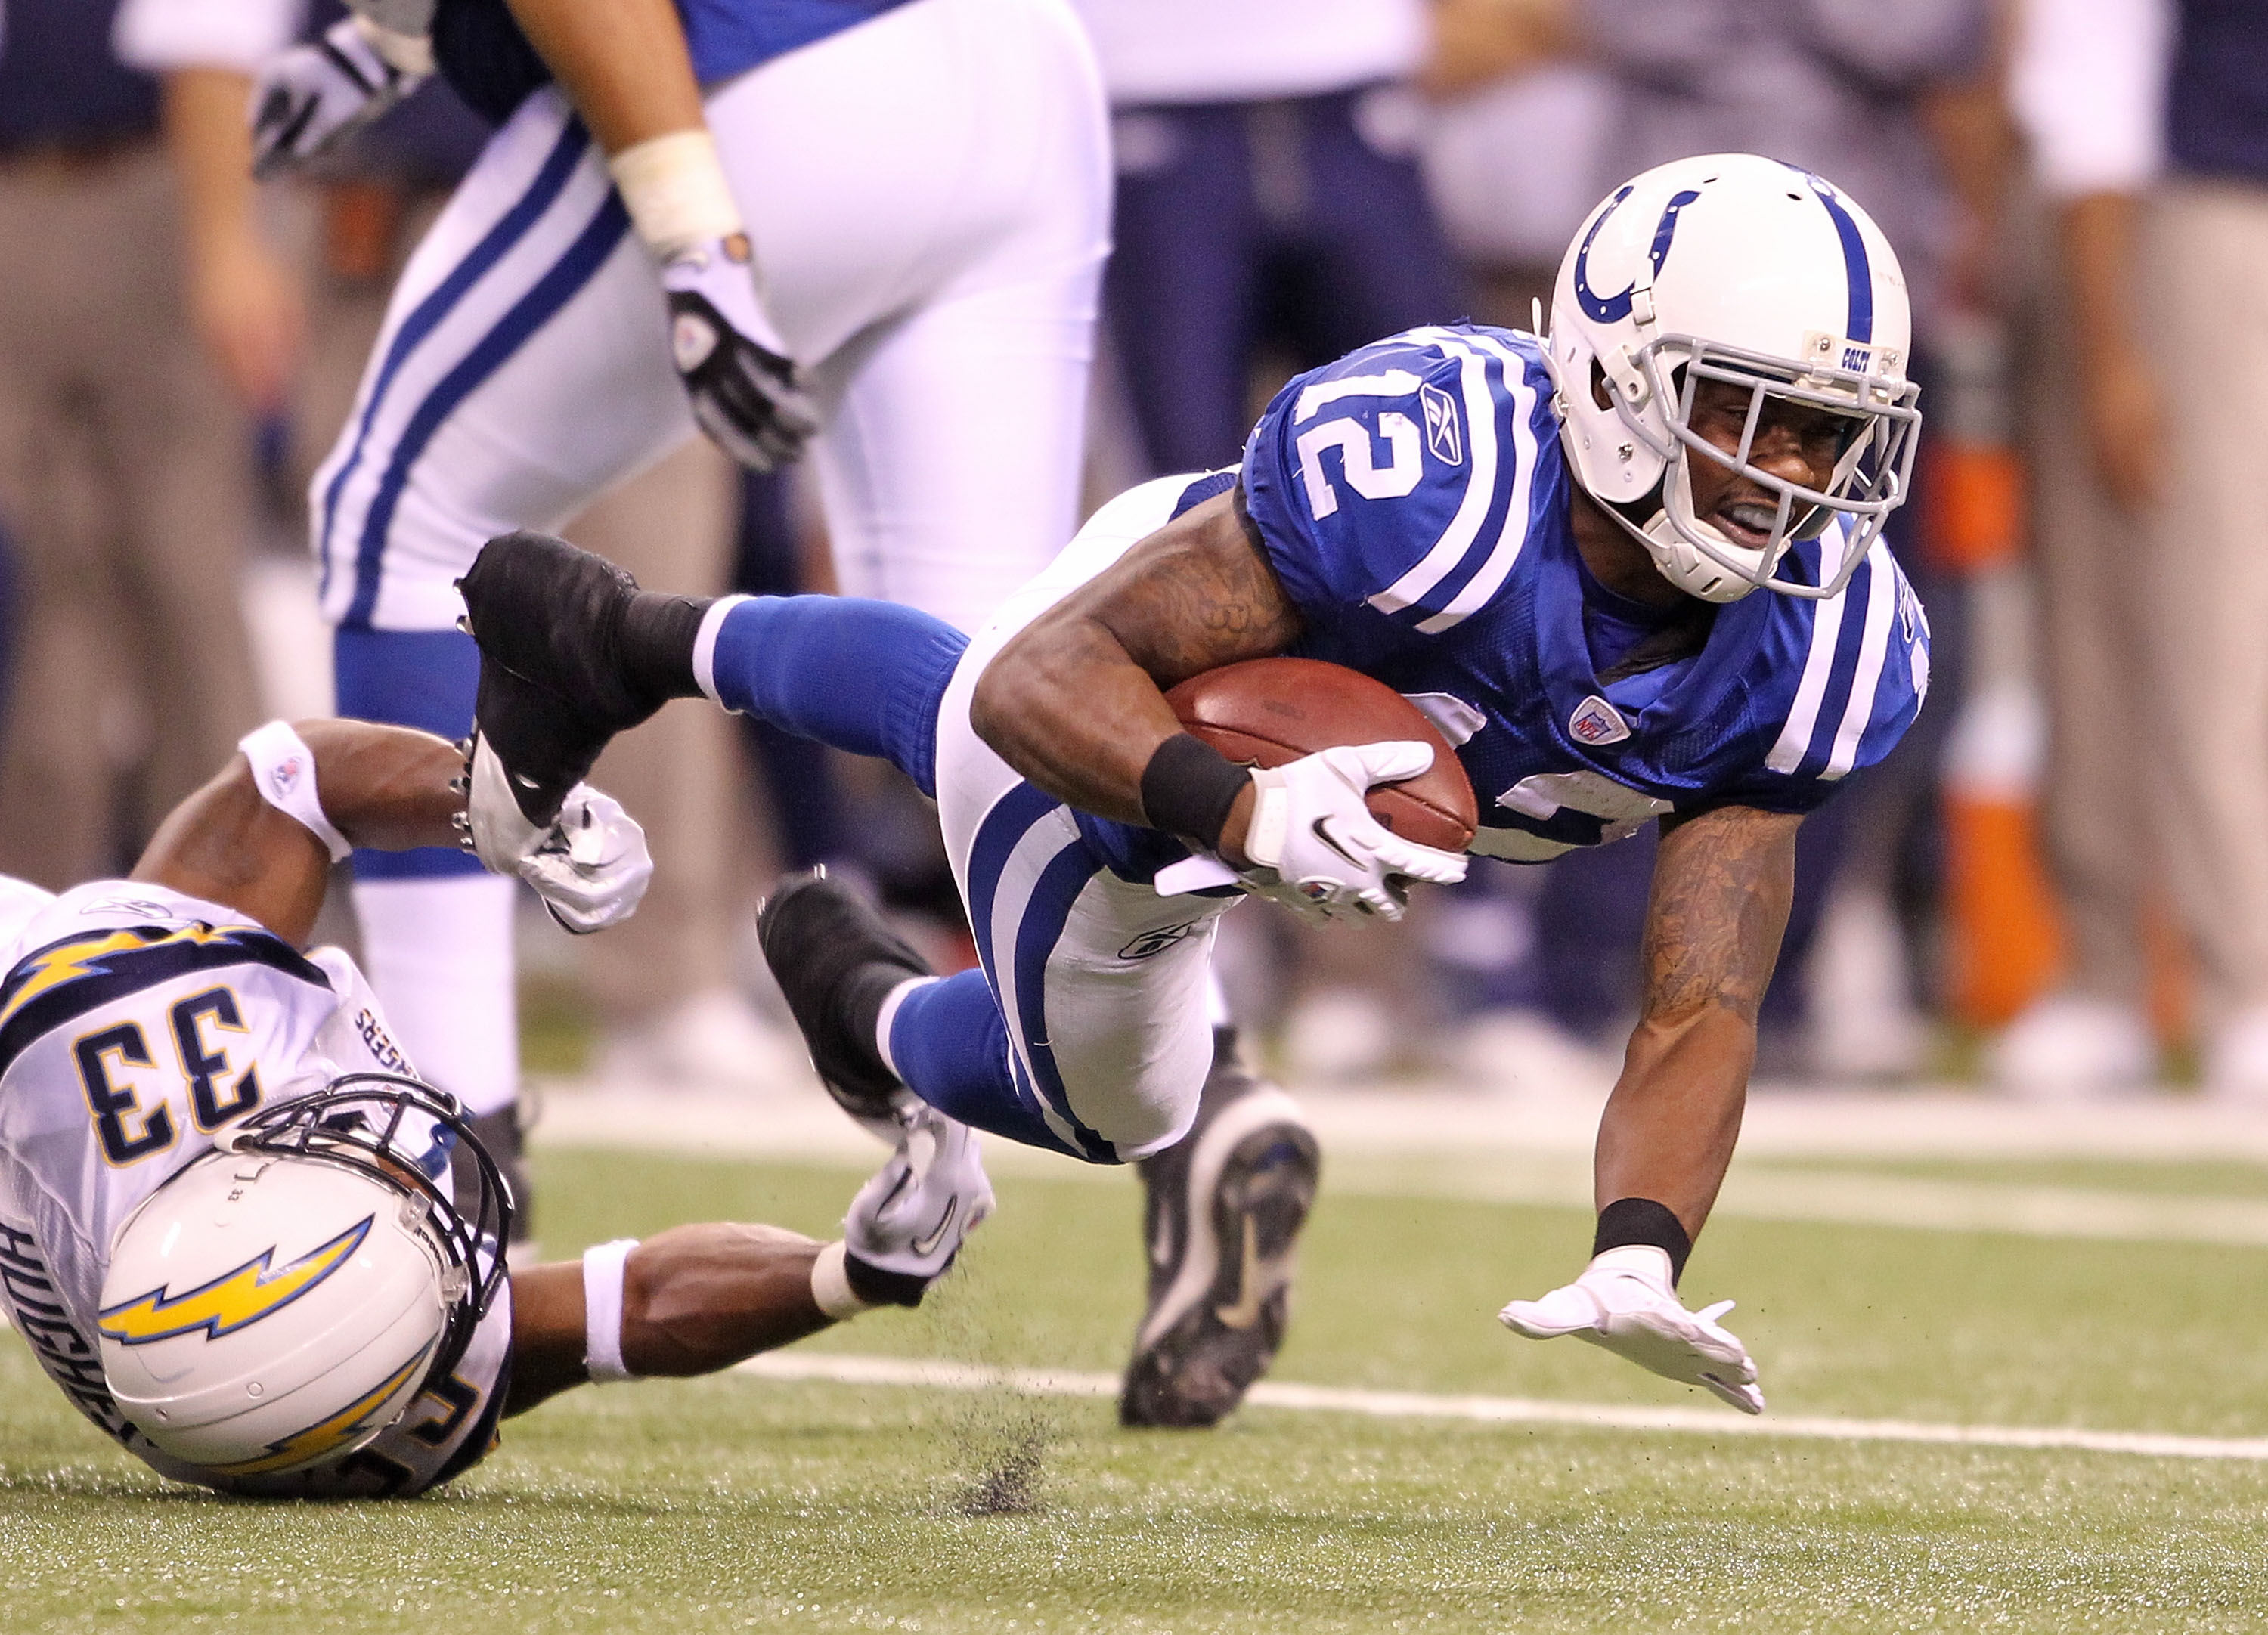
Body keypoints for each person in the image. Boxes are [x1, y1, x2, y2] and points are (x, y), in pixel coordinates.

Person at [457, 152, 1929, 1415]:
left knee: (1058, 957)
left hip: (1242, 773)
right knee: (1120, 1105)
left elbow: (1701, 1001)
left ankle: (722, 791)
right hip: (1141, 675)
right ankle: (719, 778)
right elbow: (1038, 674)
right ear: (1618, 374)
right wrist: (1244, 814)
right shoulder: (1439, 480)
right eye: (1753, 412)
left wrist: (1638, 1249)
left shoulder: (1820, 650)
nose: (1794, 476)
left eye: (1833, 432)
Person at [237, 0, 1109, 1227]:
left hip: (778, 80)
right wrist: (393, 38)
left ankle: (453, 1155)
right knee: (998, 676)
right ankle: (1206, 1085)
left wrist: (700, 246)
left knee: (396, 523)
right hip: (1025, 80)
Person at [0, 716, 990, 1497]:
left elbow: (287, 782)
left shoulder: (112, 1020)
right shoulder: (343, 1400)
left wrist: (498, 802)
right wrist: (852, 1275)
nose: (421, 1193)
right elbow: (628, 1308)